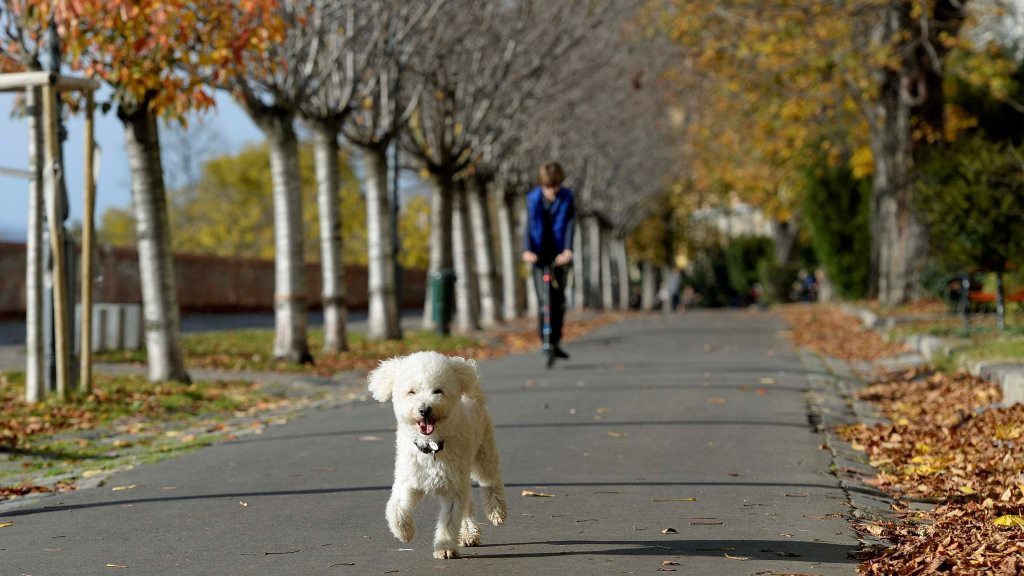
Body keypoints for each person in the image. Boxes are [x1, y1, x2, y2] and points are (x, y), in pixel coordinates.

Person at [523, 161, 575, 360]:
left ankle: (556, 340)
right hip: (538, 253)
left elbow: (570, 224)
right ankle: (544, 339)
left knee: (558, 299)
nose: (552, 190)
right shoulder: (533, 198)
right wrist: (526, 250)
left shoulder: (567, 197)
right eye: (548, 186)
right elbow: (528, 226)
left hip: (560, 254)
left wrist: (568, 250)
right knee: (544, 300)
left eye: (556, 186)